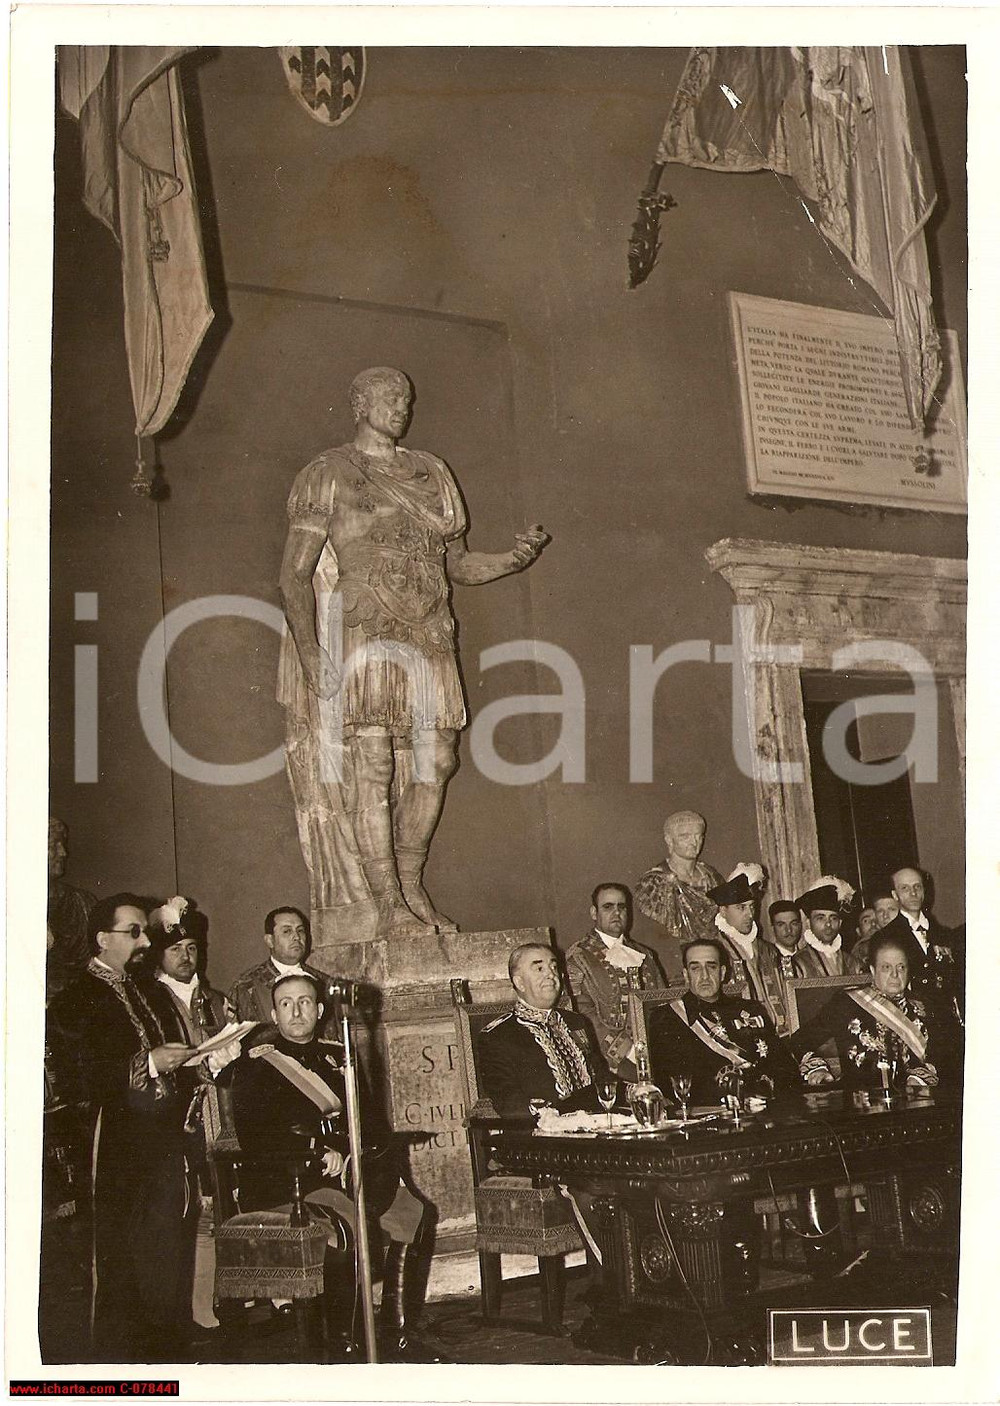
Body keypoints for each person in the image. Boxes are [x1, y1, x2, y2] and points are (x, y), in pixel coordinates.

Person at [278, 366, 548, 942]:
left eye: (406, 398)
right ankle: (387, 903)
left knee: (438, 762)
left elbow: (460, 564)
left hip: (428, 628)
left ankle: (409, 881)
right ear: (360, 403)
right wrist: (309, 650)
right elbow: (294, 574)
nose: (401, 407)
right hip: (365, 626)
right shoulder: (327, 473)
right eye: (388, 397)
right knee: (374, 765)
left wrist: (511, 560)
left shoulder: (432, 472)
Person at [230, 974, 428, 1358]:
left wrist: (359, 1152)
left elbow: (370, 1121)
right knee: (347, 1225)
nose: (296, 1011)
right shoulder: (256, 1066)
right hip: (290, 1181)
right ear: (274, 1014)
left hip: (348, 1174)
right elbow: (256, 1138)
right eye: (286, 1004)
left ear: (320, 1010)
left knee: (412, 1211)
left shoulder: (340, 1056)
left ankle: (395, 1333)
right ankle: (345, 1343)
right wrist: (316, 1151)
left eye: (304, 1002)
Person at [46, 894, 196, 1361]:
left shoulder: (149, 991)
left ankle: (168, 1362)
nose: (145, 941)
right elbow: (76, 1079)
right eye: (134, 932)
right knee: (122, 1263)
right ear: (101, 938)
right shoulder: (74, 1001)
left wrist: (202, 1060)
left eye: (144, 931)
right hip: (112, 1151)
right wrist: (147, 1063)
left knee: (165, 1258)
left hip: (162, 1147)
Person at [143, 897, 241, 1339]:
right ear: (159, 955)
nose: (186, 956)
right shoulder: (152, 1002)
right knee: (195, 1211)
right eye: (175, 949)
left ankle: (228, 1295)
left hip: (223, 1114)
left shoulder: (217, 1001)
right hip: (180, 1120)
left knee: (225, 1203)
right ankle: (196, 1306)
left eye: (192, 948)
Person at [791, 933, 954, 1091]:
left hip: (916, 1099)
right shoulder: (847, 1003)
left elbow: (945, 1052)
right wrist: (817, 1069)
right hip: (861, 1100)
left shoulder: (926, 1007)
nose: (895, 974)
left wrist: (921, 1076)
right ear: (873, 970)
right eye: (886, 967)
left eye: (901, 967)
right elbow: (799, 1041)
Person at [647, 939, 799, 1106]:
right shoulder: (666, 1018)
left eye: (711, 967)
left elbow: (786, 1067)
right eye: (695, 968)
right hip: (710, 1112)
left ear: (723, 972)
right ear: (686, 975)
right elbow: (673, 1083)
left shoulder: (752, 1010)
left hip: (765, 1106)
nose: (704, 976)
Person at [478, 944, 610, 1116]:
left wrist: (632, 1091)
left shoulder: (576, 1022)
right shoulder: (498, 1036)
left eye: (554, 967)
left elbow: (603, 1078)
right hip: (544, 1129)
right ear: (519, 982)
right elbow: (510, 1105)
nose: (551, 974)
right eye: (539, 969)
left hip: (597, 1123)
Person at [564, 884, 665, 1077]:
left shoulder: (645, 954)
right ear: (594, 913)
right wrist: (627, 1051)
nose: (616, 913)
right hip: (608, 1062)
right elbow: (580, 1011)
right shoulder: (578, 957)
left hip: (655, 1054)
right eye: (608, 907)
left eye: (622, 907)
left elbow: (662, 1002)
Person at [634, 810, 723, 977]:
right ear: (669, 840)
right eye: (685, 836)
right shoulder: (653, 884)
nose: (694, 842)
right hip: (672, 964)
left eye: (698, 836)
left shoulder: (712, 878)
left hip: (710, 961)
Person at [227, 906, 340, 1032]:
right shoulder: (246, 987)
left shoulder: (325, 984)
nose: (296, 937)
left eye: (300, 930)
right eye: (287, 931)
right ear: (270, 940)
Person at [706, 871, 791, 1035]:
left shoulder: (769, 950)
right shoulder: (715, 952)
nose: (750, 914)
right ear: (723, 911)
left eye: (752, 906)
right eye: (741, 908)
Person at [881, 865, 962, 1013]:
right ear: (895, 895)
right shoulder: (886, 938)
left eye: (917, 886)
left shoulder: (945, 934)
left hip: (949, 1017)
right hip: (913, 1019)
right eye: (905, 888)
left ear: (924, 891)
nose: (913, 893)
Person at [46, 815, 95, 1000]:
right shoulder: (10, 907)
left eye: (63, 844)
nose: (63, 853)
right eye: (54, 845)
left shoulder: (82, 902)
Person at [794, 883, 863, 977]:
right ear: (808, 923)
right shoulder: (798, 963)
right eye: (820, 918)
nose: (828, 924)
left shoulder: (854, 963)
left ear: (840, 923)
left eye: (833, 918)